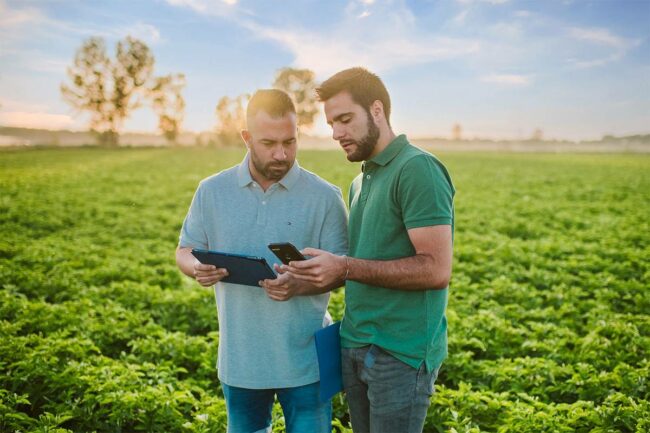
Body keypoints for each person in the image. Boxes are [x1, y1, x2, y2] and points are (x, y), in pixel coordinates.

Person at [283, 67, 455, 433]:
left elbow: (436, 269)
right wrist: (309, 275)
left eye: (345, 119)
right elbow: (363, 263)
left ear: (377, 110)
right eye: (331, 123)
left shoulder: (417, 169)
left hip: (399, 353)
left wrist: (343, 267)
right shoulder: (361, 180)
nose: (336, 133)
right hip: (355, 342)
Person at [175, 89, 348, 433]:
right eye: (269, 143)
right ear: (247, 138)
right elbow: (185, 249)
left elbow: (344, 271)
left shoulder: (326, 197)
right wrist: (197, 268)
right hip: (241, 359)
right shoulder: (212, 191)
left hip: (307, 362)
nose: (281, 153)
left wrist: (300, 285)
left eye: (290, 141)